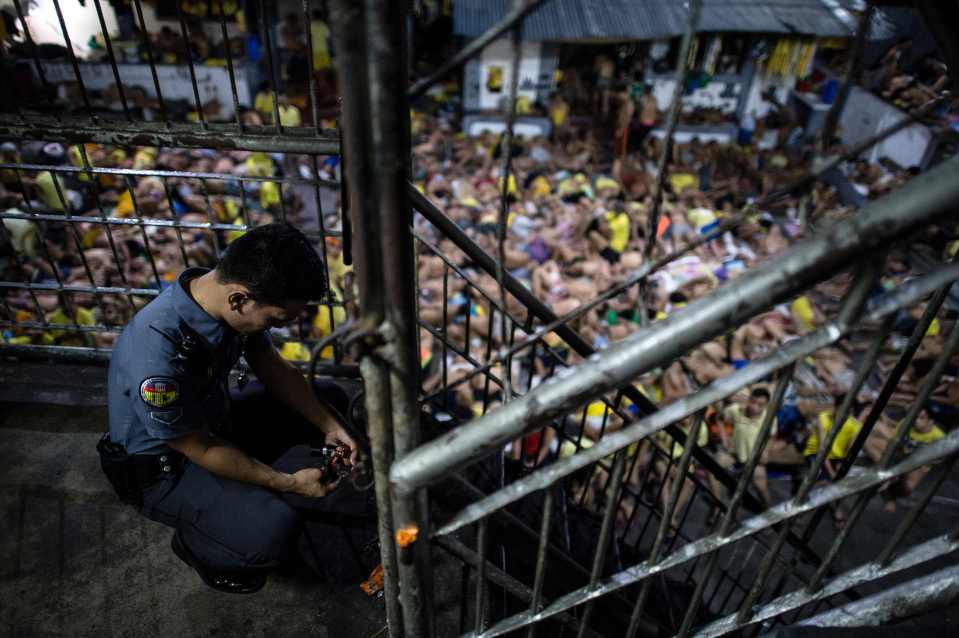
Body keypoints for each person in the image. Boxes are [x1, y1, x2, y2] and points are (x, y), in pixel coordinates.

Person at [102, 223, 361, 593]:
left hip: (212, 421)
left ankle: (240, 496)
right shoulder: (156, 356)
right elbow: (200, 448)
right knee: (272, 530)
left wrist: (329, 425)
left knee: (330, 401)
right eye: (276, 319)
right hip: (165, 467)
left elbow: (270, 365)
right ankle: (200, 544)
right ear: (240, 299)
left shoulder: (224, 297)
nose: (279, 327)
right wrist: (288, 483)